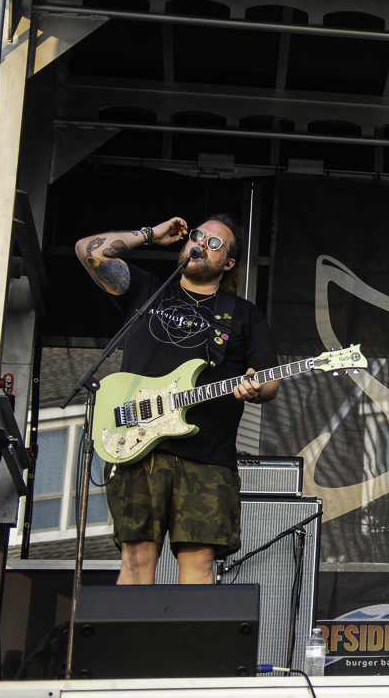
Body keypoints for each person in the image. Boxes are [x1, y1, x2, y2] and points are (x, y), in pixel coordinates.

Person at [76, 216, 279, 584]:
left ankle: (184, 642)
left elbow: (270, 383)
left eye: (215, 243)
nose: (201, 243)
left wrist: (255, 387)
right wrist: (151, 234)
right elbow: (88, 251)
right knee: (136, 561)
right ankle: (128, 643)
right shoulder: (148, 290)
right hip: (137, 444)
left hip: (207, 455)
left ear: (229, 263)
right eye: (198, 236)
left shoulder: (244, 315)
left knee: (198, 565)